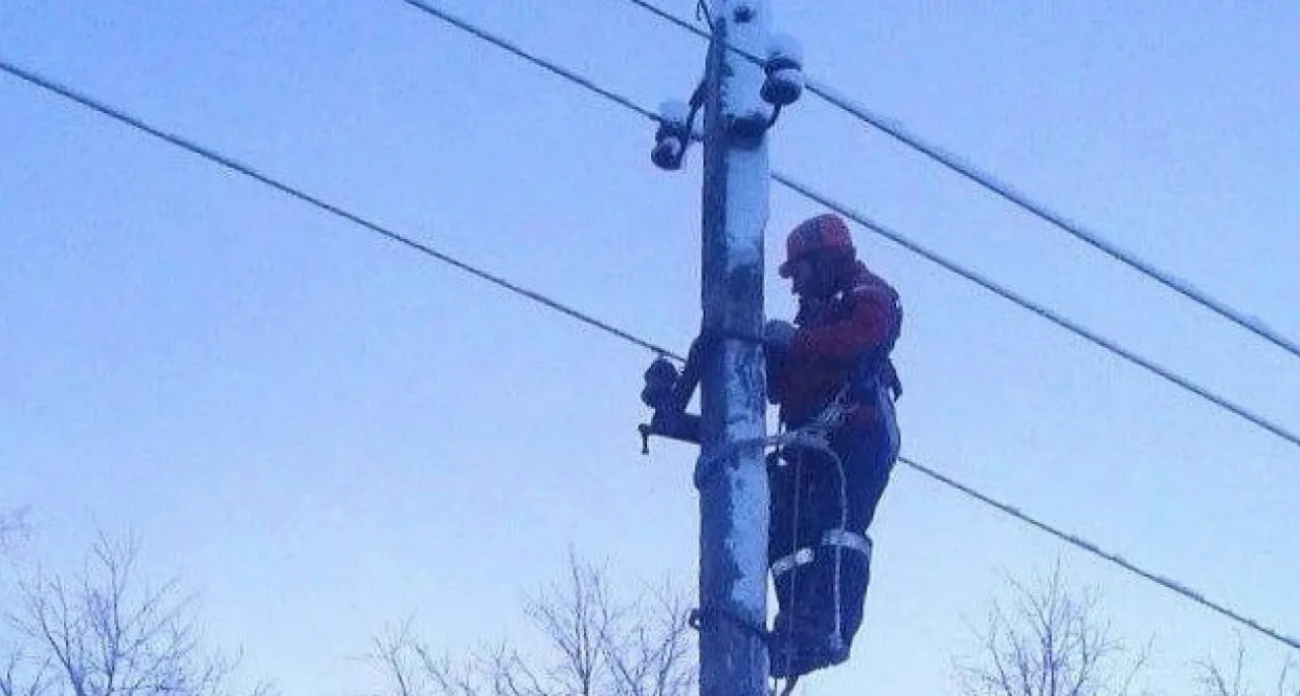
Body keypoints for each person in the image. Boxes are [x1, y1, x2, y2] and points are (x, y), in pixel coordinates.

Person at [762, 212, 903, 681]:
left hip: (857, 435)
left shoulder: (864, 293)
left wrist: (797, 342)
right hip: (814, 445)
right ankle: (796, 628)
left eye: (799, 272)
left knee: (837, 530)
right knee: (785, 529)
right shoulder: (816, 317)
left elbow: (869, 331)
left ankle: (830, 629)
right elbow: (783, 390)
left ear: (826, 261)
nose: (796, 285)